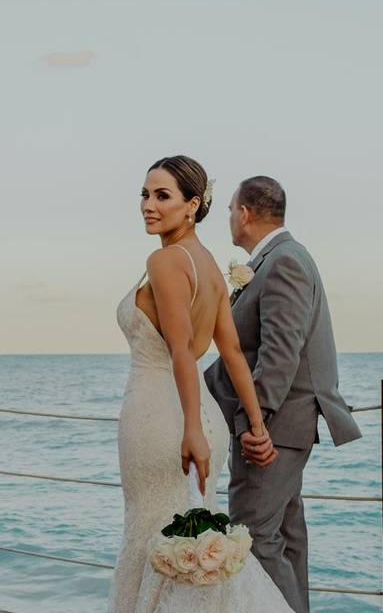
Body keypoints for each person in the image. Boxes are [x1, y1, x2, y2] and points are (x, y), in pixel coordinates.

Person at [108, 155, 295, 612]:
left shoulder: (166, 260)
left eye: (162, 196)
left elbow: (179, 351)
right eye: (145, 194)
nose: (148, 205)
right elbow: (229, 352)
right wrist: (256, 424)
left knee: (154, 538)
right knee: (189, 545)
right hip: (200, 417)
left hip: (163, 419)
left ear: (193, 205)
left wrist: (191, 429)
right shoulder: (209, 264)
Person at [204, 176, 363, 613]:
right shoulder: (277, 259)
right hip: (278, 422)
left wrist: (256, 423)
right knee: (286, 540)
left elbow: (279, 352)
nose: (229, 219)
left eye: (230, 209)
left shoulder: (284, 261)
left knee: (251, 538)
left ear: (246, 213)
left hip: (272, 427)